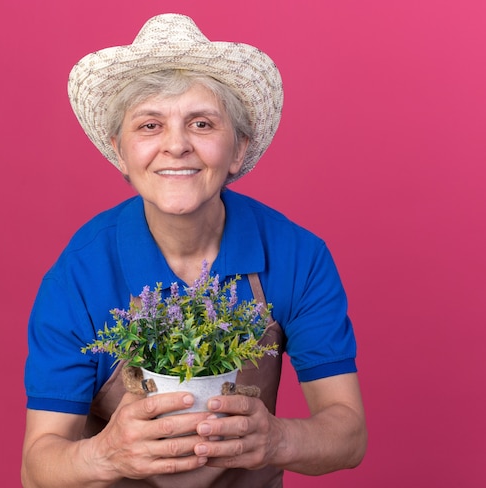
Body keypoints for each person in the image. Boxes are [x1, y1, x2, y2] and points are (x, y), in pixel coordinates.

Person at [21, 13, 367, 488]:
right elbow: (37, 467)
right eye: (149, 125)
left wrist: (277, 440)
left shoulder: (295, 256)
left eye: (201, 123)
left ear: (239, 149)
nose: (176, 146)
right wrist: (106, 455)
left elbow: (348, 434)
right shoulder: (78, 279)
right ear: (120, 151)